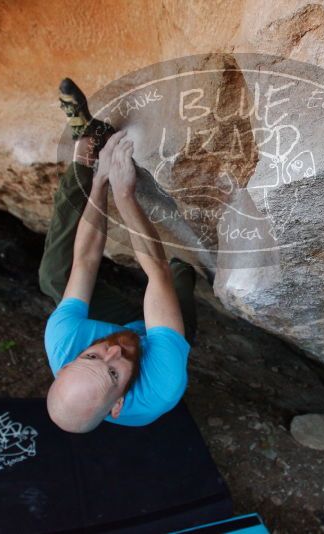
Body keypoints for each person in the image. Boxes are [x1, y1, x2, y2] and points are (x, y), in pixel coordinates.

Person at [38, 79, 197, 432]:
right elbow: (156, 273)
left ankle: (86, 151)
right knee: (177, 273)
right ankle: (191, 266)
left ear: (67, 364)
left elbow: (85, 261)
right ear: (118, 404)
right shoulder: (161, 386)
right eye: (113, 372)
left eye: (92, 355)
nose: (114, 350)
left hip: (122, 322)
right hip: (159, 342)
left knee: (54, 278)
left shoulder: (63, 342)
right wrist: (124, 194)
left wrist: (100, 181)